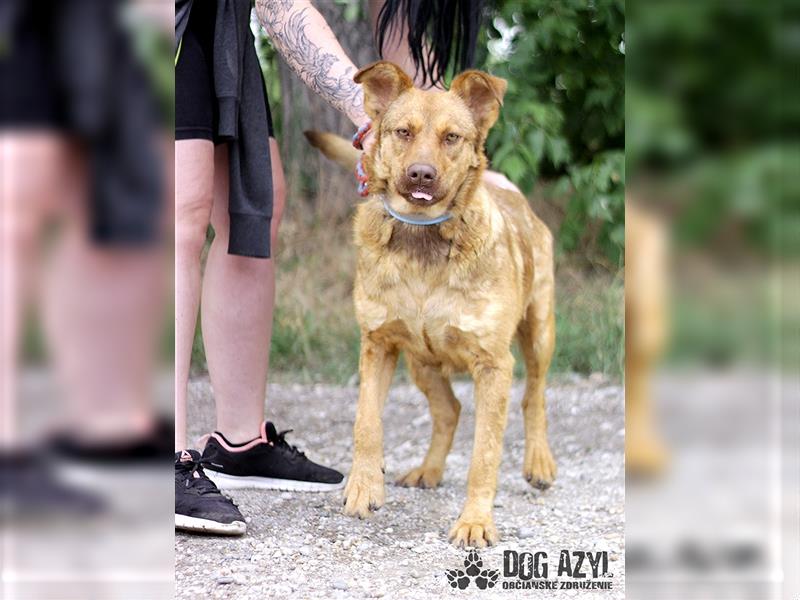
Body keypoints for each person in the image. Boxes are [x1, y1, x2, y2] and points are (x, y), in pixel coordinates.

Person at [174, 0, 491, 535]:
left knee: (256, 204)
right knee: (177, 207)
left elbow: (394, 15)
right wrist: (375, 116)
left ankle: (239, 442)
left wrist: (417, 119)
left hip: (215, 20)